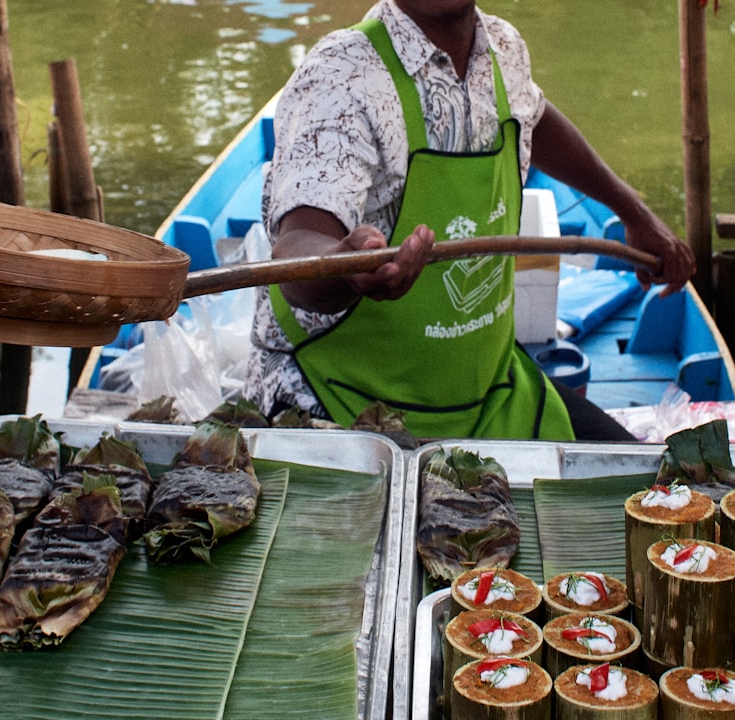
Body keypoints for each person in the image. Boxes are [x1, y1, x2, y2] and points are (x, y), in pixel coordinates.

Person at [242, 0, 695, 441]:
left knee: (645, 490)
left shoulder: (503, 47)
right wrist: (345, 266)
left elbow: (532, 118)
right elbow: (300, 244)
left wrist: (633, 213)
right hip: (341, 402)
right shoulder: (340, 77)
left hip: (486, 391)